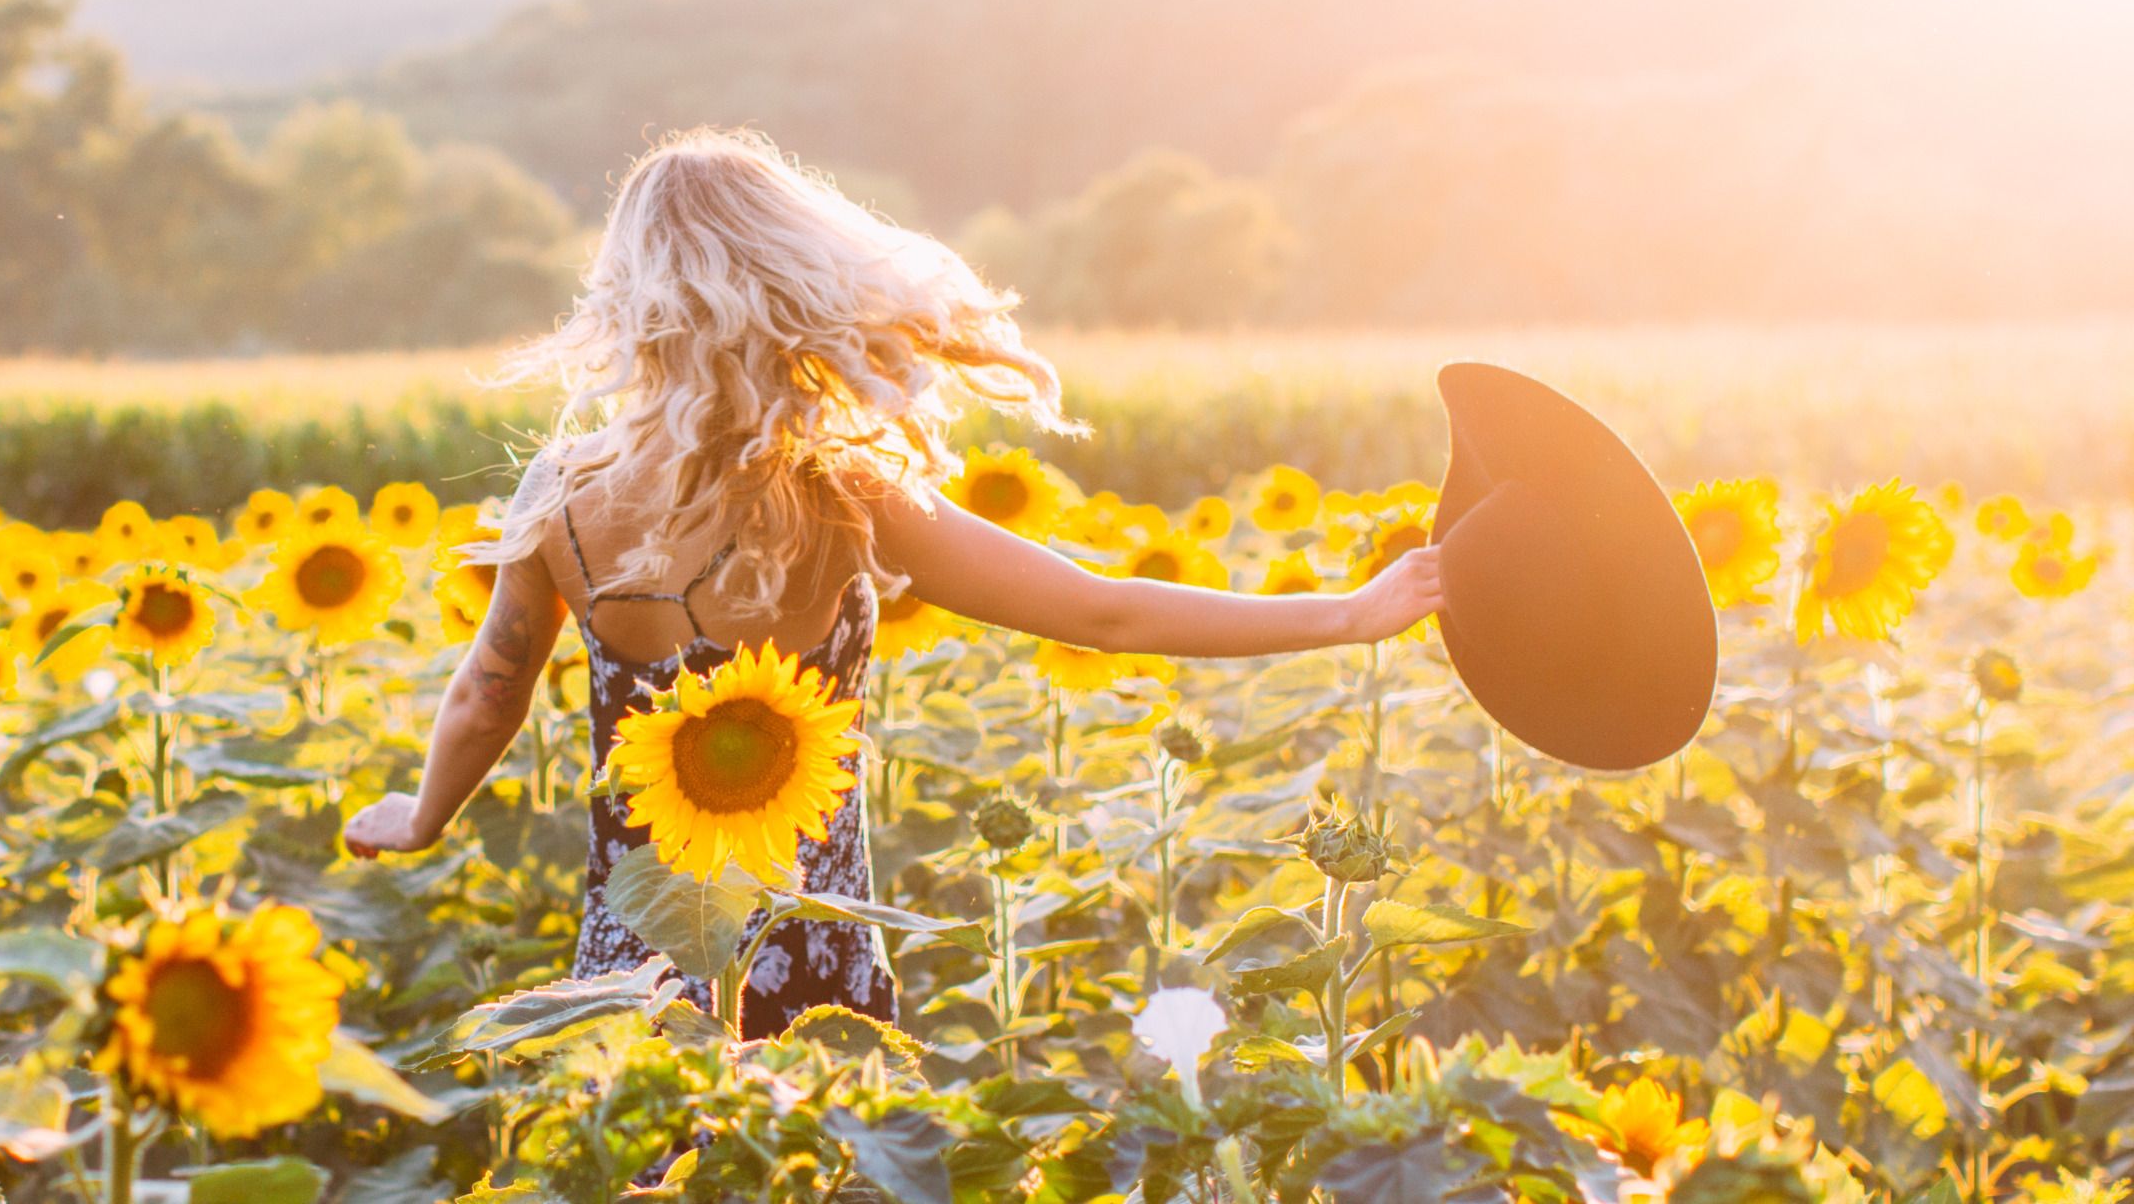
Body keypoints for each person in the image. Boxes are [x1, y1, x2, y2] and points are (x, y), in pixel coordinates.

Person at [341, 128, 1441, 1034]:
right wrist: (1348, 614)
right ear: (793, 277)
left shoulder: (564, 487)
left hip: (634, 963)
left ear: (631, 296)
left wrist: (422, 814)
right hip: (810, 951)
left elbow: (492, 687)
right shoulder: (836, 486)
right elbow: (1098, 609)